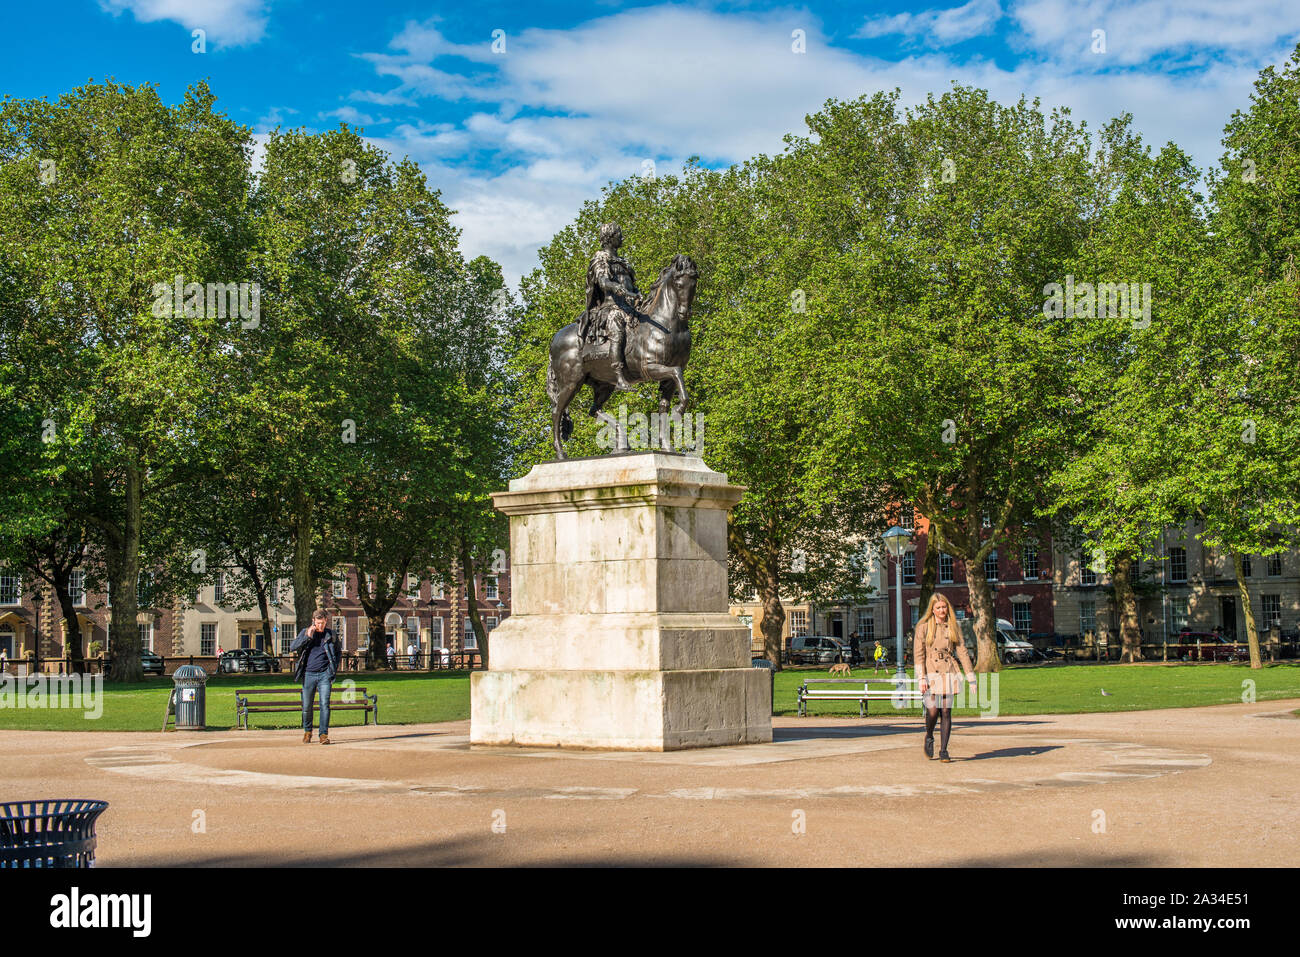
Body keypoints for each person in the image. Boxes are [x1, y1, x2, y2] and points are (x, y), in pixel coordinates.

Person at [913, 593, 976, 763]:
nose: (942, 610)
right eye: (938, 607)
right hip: (931, 670)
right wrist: (921, 678)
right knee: (933, 710)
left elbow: (962, 652)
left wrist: (971, 678)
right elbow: (919, 655)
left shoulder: (953, 626)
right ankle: (929, 735)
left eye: (944, 607)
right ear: (932, 610)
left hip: (949, 669)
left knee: (946, 710)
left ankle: (944, 750)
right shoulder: (923, 627)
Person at [579, 222, 641, 390]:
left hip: (630, 307)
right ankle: (619, 376)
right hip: (610, 307)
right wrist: (615, 287)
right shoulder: (601, 259)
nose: (621, 238)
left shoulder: (623, 262)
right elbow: (602, 280)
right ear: (610, 238)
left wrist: (637, 292)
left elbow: (630, 284)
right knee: (617, 325)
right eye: (618, 235)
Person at [290, 609, 341, 745]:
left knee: (325, 704)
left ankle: (323, 734)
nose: (320, 626)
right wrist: (307, 636)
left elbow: (338, 653)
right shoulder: (305, 632)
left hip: (325, 674)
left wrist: (332, 670)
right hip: (308, 674)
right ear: (313, 621)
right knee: (307, 706)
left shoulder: (331, 635)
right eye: (318, 623)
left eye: (323, 623)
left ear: (326, 621)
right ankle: (308, 731)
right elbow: (292, 647)